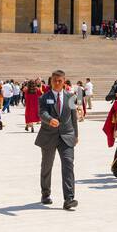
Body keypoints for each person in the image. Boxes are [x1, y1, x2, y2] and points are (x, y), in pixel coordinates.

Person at [36, 70, 79, 210]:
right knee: (47, 166)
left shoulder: (71, 97)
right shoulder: (44, 97)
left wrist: (76, 135)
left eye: (60, 80)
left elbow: (74, 118)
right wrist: (49, 120)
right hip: (49, 135)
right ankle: (45, 193)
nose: (57, 83)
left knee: (68, 165)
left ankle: (69, 199)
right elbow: (42, 113)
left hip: (67, 135)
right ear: (51, 81)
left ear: (64, 81)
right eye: (55, 80)